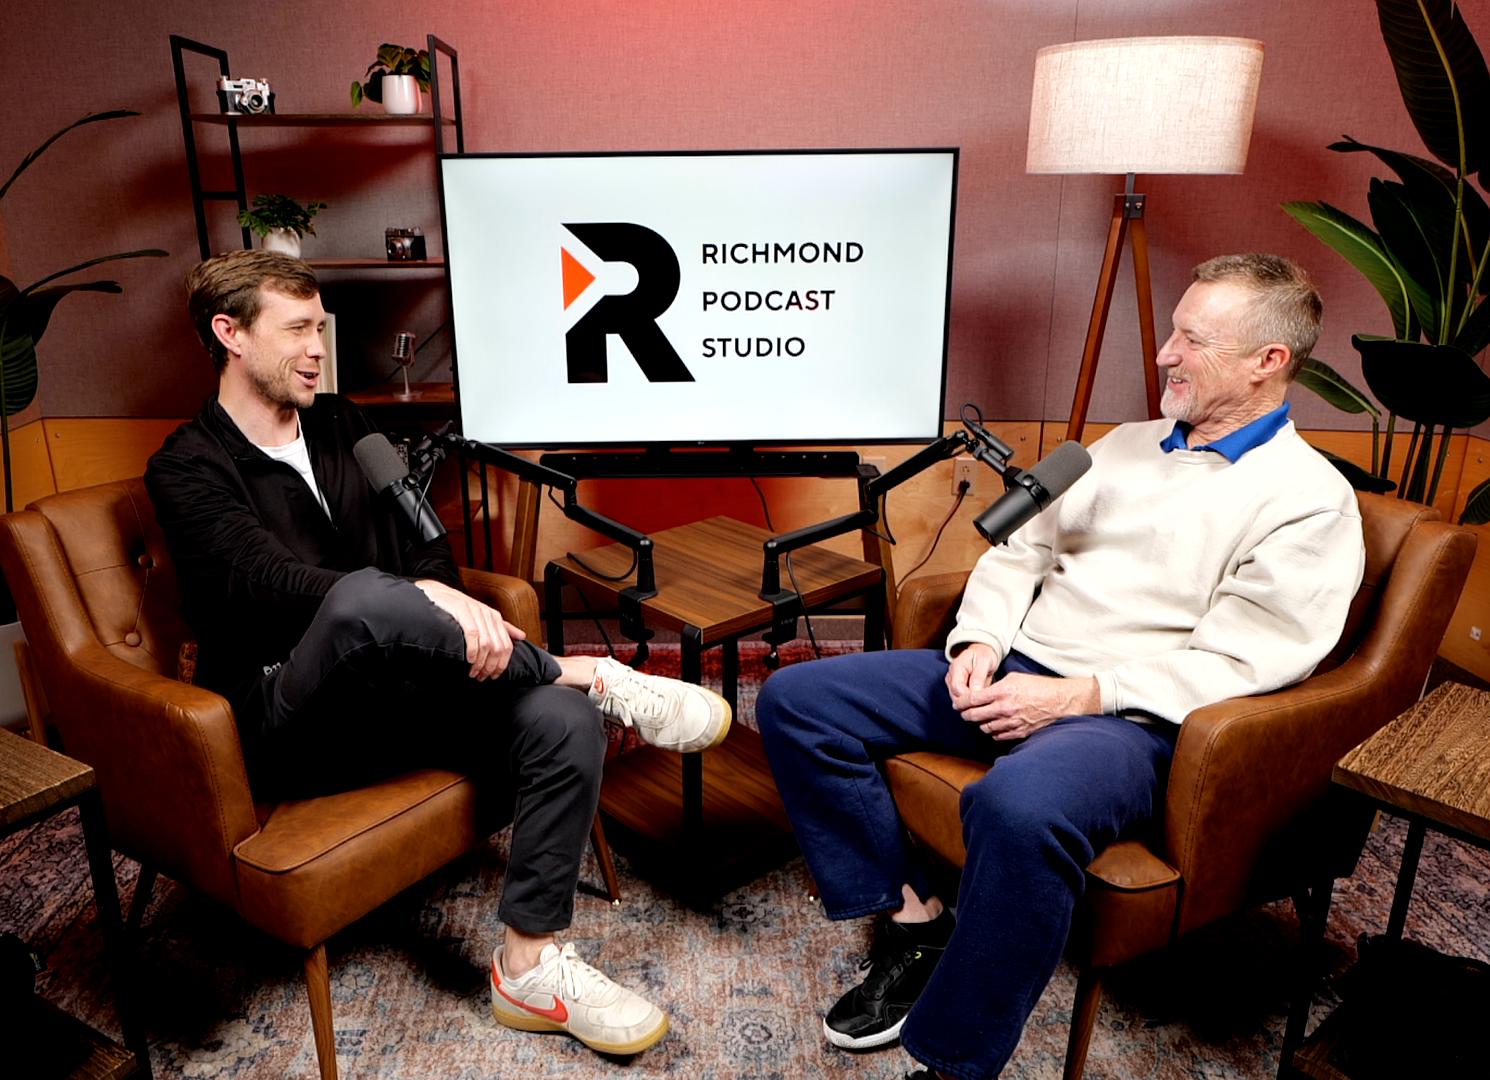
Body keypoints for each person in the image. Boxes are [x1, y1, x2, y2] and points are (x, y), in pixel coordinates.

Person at [757, 253, 1366, 1080]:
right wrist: (977, 639)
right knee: (797, 697)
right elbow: (1022, 548)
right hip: (1016, 662)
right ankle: (913, 920)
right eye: (1173, 330)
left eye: (1193, 338)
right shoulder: (1119, 446)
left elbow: (1247, 659)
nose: (1165, 353)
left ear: (1270, 362)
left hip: (1131, 717)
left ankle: (953, 1059)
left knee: (1018, 805)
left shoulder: (1307, 499)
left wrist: (1084, 695)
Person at [145, 249, 733, 1057]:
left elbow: (426, 547)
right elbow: (270, 579)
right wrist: (422, 601)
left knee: (561, 722)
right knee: (359, 597)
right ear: (230, 334)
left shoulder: (347, 423)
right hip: (291, 716)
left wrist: (443, 597)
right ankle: (587, 671)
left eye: (320, 327)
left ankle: (528, 966)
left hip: (400, 694)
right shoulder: (185, 466)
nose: (318, 347)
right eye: (297, 329)